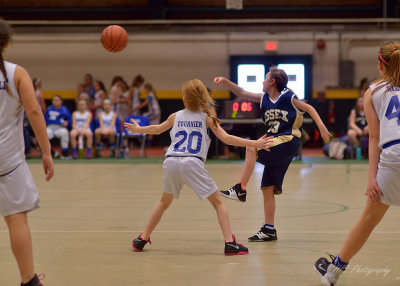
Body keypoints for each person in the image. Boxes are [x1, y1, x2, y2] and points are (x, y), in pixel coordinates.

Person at [125, 79, 273, 255]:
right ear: (204, 96)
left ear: (184, 98)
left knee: (164, 201)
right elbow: (227, 139)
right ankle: (229, 243)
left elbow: (157, 129)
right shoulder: (207, 118)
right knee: (219, 202)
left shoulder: (176, 115)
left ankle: (142, 239)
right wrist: (255, 142)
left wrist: (138, 129)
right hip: (191, 162)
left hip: (171, 161)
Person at [314, 41, 400, 285]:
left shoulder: (372, 90)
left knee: (368, 220)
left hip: (393, 154)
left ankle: (332, 273)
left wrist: (372, 178)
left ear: (381, 64)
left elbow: (374, 136)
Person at [214, 67, 331, 242]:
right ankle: (269, 229)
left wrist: (322, 127)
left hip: (288, 141)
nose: (262, 81)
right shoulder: (263, 99)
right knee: (267, 188)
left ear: (272, 82)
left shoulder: (288, 97)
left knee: (251, 146)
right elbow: (241, 92)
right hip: (275, 142)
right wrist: (224, 81)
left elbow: (309, 108)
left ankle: (240, 188)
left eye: (265, 78)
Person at [0, 19, 54, 286]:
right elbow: (34, 112)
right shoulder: (16, 73)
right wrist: (46, 151)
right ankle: (28, 280)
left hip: (8, 161)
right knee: (16, 219)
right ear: (6, 44)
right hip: (7, 161)